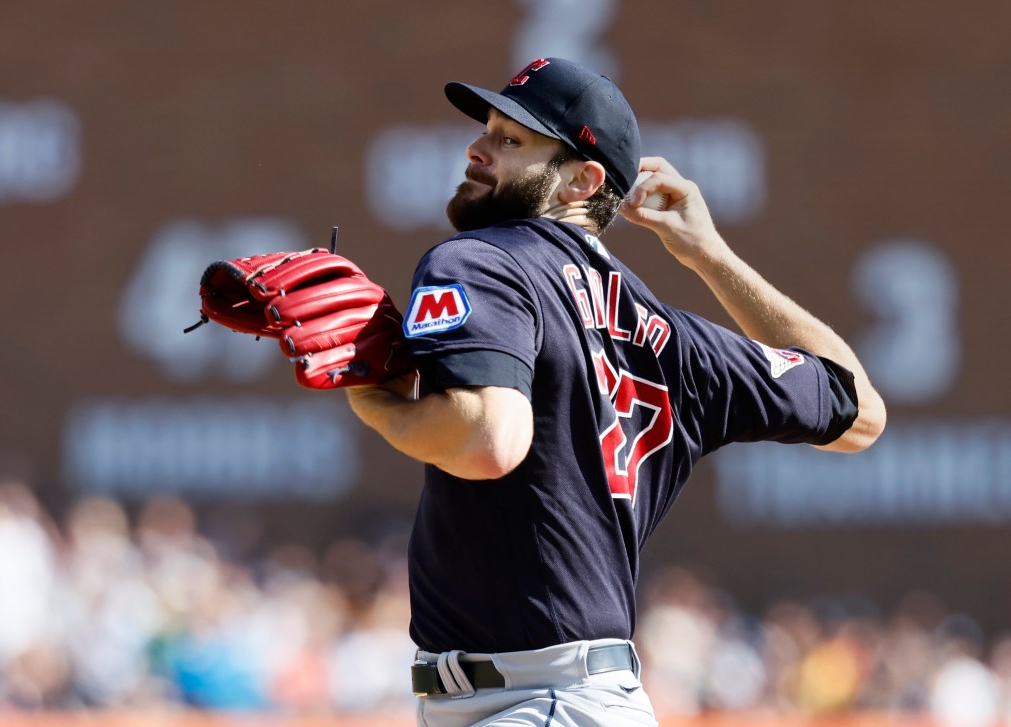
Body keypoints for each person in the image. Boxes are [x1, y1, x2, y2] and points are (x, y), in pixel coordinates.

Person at [345, 57, 886, 727]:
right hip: (583, 699)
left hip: (533, 700)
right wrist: (708, 254)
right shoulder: (679, 341)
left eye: (511, 139)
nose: (477, 149)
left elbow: (487, 440)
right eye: (487, 129)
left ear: (584, 178)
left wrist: (380, 405)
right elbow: (857, 408)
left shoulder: (487, 259)